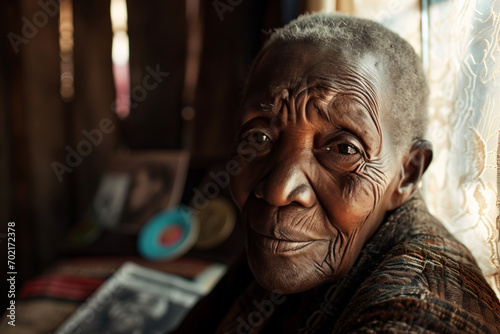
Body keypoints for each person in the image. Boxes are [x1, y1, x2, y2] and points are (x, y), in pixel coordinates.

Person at [176, 12, 500, 333]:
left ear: (408, 174)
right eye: (259, 137)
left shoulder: (421, 310)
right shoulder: (282, 244)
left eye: (344, 149)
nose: (277, 190)